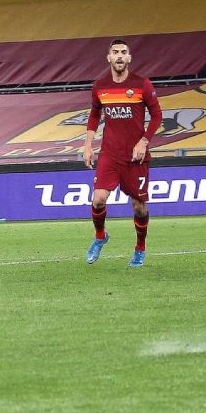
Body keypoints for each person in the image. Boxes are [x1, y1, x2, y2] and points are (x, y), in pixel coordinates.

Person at [82, 39, 163, 267]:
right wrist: (88, 144)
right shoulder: (100, 86)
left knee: (139, 206)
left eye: (123, 52)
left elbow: (157, 115)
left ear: (129, 58)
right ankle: (100, 236)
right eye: (115, 52)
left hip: (136, 157)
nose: (119, 56)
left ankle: (140, 248)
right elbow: (94, 114)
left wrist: (144, 142)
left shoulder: (142, 84)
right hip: (110, 153)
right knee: (98, 199)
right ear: (108, 57)